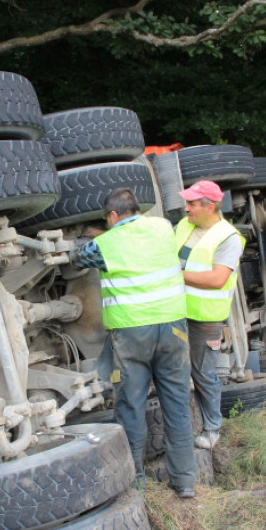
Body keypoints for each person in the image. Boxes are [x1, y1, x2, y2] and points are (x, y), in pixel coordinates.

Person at [70, 189, 197, 498]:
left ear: (113, 216)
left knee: (131, 407)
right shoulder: (164, 228)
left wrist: (94, 235)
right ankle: (184, 483)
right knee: (178, 405)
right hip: (174, 329)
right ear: (137, 210)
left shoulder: (106, 243)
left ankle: (135, 484)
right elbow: (186, 256)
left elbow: (77, 258)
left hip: (131, 335)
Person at [175, 180, 245, 450]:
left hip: (204, 319)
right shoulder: (184, 225)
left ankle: (212, 428)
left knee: (203, 373)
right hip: (175, 311)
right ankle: (186, 425)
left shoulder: (228, 238)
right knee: (175, 370)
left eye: (192, 204)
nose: (186, 208)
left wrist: (175, 276)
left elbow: (217, 279)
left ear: (210, 206)